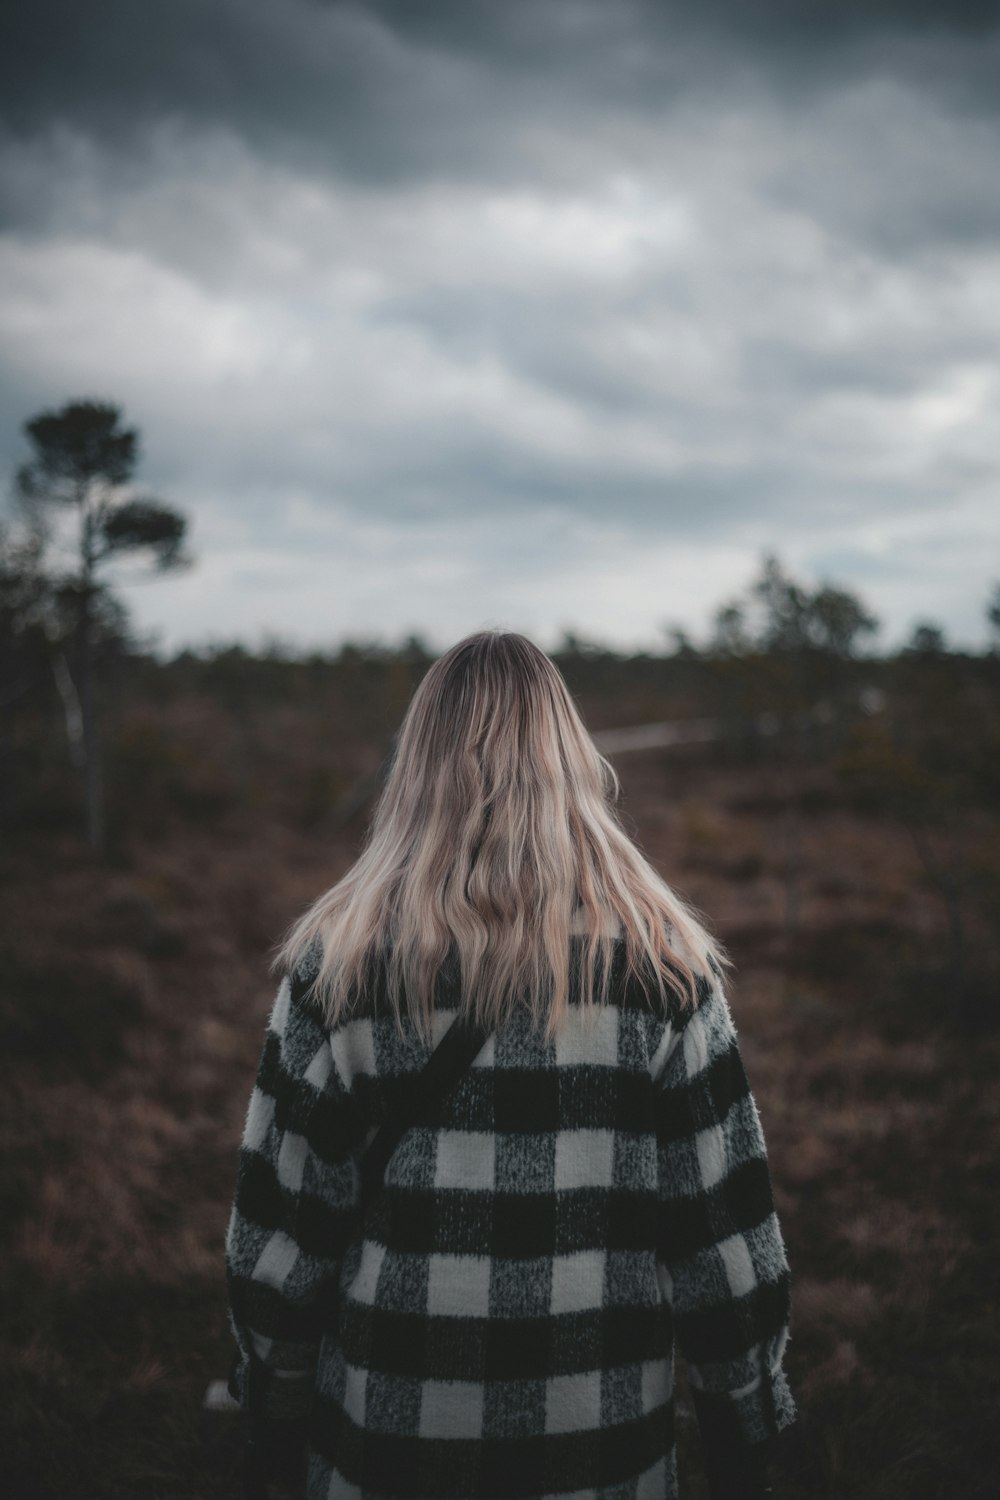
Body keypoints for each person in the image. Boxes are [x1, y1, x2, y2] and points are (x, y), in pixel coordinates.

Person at [225, 629, 797, 1499]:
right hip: (600, 1457)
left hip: (386, 1449)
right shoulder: (665, 970)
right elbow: (726, 1249)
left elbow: (279, 1242)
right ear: (569, 761)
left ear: (415, 768)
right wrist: (744, 1426)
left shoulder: (337, 971)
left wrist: (272, 1409)